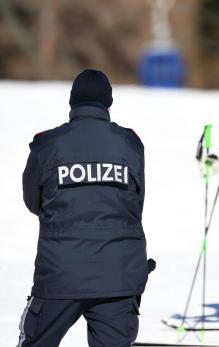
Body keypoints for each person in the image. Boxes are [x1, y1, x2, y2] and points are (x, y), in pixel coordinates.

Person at [18, 69, 150, 346]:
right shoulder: (130, 144)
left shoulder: (47, 144)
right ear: (108, 103)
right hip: (119, 274)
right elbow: (135, 204)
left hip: (61, 274)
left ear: (72, 102)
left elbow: (33, 201)